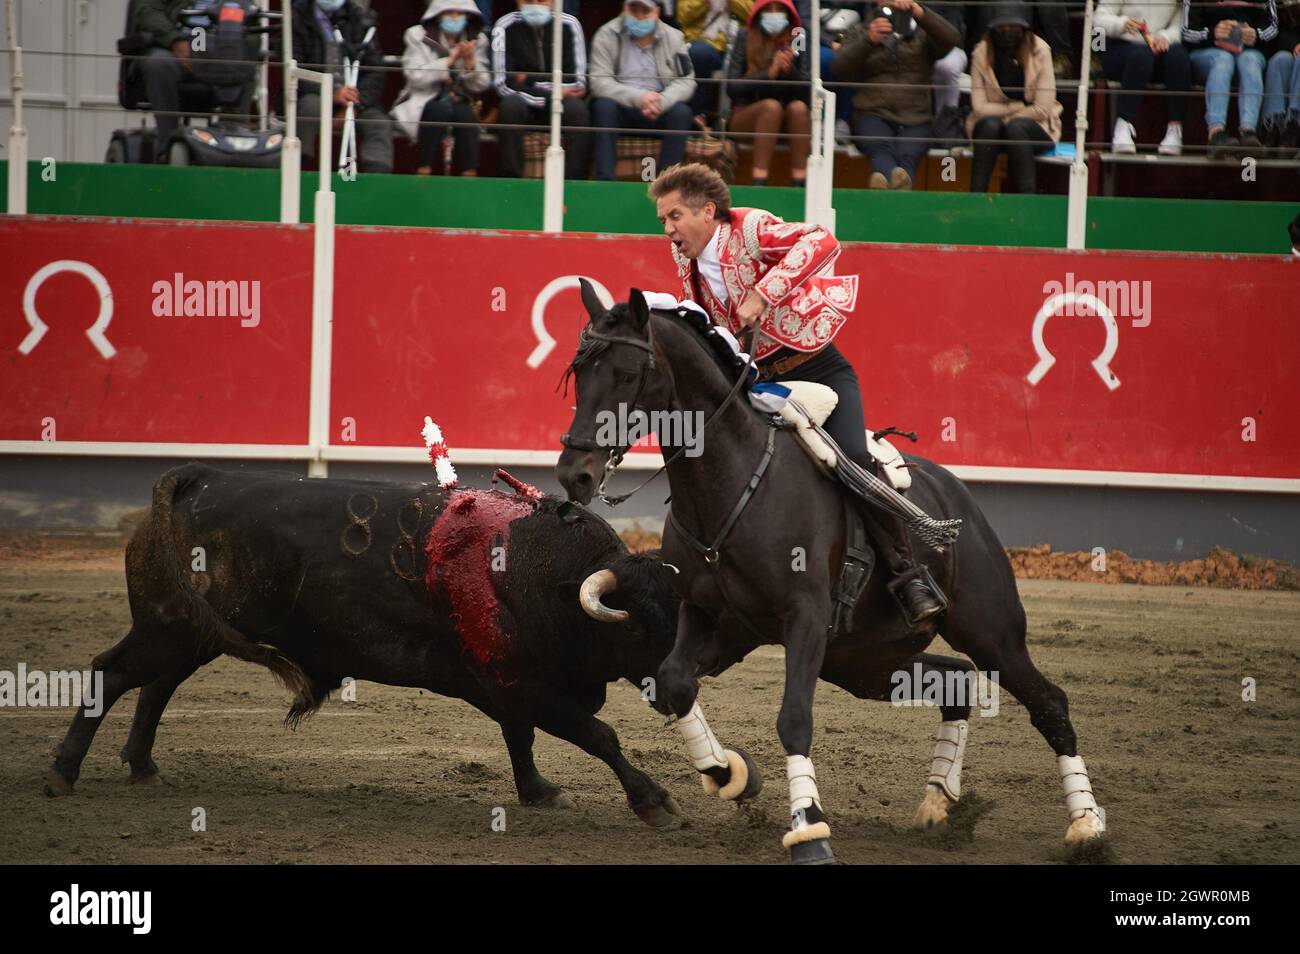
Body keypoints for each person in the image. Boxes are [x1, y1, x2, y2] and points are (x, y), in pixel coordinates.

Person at [648, 162, 947, 631]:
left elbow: (822, 241)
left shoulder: (750, 228)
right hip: (756, 379)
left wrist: (764, 295)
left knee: (851, 460)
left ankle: (909, 575)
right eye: (662, 221)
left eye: (674, 217)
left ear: (707, 211)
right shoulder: (684, 261)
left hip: (819, 370)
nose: (668, 230)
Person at [833, 0, 961, 190]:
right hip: (873, 113)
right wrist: (868, 40)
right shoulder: (861, 30)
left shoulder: (922, 33)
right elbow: (839, 69)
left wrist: (921, 13)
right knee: (880, 149)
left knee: (907, 155)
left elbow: (952, 39)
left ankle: (884, 187)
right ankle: (897, 189)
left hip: (916, 116)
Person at [589, 1, 698, 181]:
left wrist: (662, 101)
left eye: (645, 11)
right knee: (603, 107)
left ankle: (668, 184)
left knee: (681, 113)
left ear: (657, 12)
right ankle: (605, 181)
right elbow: (599, 82)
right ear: (624, 8)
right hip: (623, 106)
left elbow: (687, 81)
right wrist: (640, 98)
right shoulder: (606, 34)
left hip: (659, 108)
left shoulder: (675, 37)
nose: (639, 16)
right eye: (633, 10)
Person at [287, 0, 394, 174]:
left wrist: (354, 104)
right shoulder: (297, 17)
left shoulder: (359, 18)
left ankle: (378, 184)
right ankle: (297, 172)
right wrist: (331, 94)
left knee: (379, 124)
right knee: (310, 107)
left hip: (354, 98)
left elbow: (375, 72)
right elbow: (294, 70)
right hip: (314, 94)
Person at [133, 0, 253, 154]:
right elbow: (147, 11)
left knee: (246, 61)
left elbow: (249, 11)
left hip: (220, 45)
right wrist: (174, 39)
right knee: (159, 63)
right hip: (177, 42)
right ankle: (168, 145)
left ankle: (236, 142)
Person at [967, 3, 1061, 193]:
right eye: (1001, 28)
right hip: (991, 125)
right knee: (990, 126)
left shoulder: (1041, 50)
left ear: (1024, 29)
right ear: (992, 29)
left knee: (1016, 128)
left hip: (1036, 126)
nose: (1007, 32)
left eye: (1013, 28)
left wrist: (1009, 118)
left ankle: (1027, 200)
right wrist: (1014, 108)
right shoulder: (981, 53)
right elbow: (979, 107)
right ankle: (976, 199)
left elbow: (1042, 109)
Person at [492, 0, 592, 178]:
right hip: (524, 105)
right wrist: (550, 94)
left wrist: (528, 80)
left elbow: (578, 84)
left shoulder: (570, 25)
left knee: (578, 110)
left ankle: (573, 181)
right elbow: (503, 84)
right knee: (510, 106)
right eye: (529, 0)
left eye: (542, 0)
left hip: (561, 104)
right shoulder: (503, 26)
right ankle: (511, 180)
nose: (536, 5)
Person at [393, 0, 492, 176]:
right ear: (438, 15)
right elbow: (415, 76)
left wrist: (470, 64)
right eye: (449, 12)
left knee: (465, 113)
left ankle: (469, 174)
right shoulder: (416, 35)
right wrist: (449, 62)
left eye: (459, 13)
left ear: (468, 15)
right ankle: (423, 169)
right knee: (438, 110)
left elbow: (482, 84)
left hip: (460, 100)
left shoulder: (477, 39)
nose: (454, 17)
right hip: (424, 98)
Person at [726, 0, 811, 186]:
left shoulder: (799, 37)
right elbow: (731, 87)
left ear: (789, 14)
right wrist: (769, 74)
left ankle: (799, 182)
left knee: (799, 108)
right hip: (747, 117)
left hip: (787, 123)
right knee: (771, 107)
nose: (774, 14)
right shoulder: (745, 36)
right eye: (769, 9)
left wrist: (790, 72)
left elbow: (808, 92)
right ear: (758, 13)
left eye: (780, 9)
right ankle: (759, 182)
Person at [1183, 0, 1279, 156]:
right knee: (1223, 59)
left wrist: (1256, 34)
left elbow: (1273, 27)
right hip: (1208, 53)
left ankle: (1248, 132)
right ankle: (1216, 133)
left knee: (1250, 61)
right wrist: (1213, 33)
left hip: (1249, 51)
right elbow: (1186, 32)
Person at [1095, 0, 1191, 155]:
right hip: (1121, 48)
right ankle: (1122, 125)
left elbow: (1179, 24)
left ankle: (1174, 129)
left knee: (1179, 57)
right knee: (1141, 56)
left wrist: (1165, 36)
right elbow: (1098, 19)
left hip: (1158, 49)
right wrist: (1122, 24)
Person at [677, 0, 755, 122]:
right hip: (703, 42)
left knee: (750, 57)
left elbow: (753, 15)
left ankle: (735, 119)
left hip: (738, 45)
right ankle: (697, 117)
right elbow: (682, 16)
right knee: (699, 53)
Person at [1262, 0, 1300, 149]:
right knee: (1280, 60)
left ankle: (1294, 123)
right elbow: (1276, 33)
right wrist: (1294, 44)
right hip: (1290, 49)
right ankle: (1274, 126)